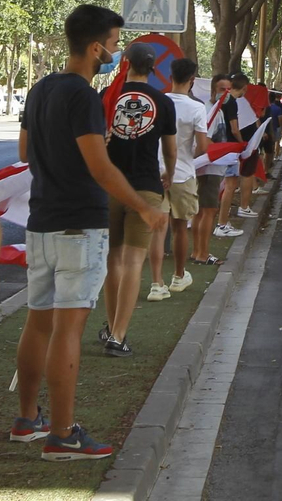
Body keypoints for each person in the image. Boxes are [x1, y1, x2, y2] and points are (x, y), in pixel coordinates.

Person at [15, 4, 167, 459]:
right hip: (79, 224)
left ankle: (27, 420)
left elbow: (26, 149)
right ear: (96, 46)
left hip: (42, 221)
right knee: (69, 327)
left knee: (38, 321)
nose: (118, 54)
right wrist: (144, 207)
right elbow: (100, 167)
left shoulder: (41, 88)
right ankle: (62, 432)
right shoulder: (82, 95)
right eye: (116, 44)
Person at [101, 42, 177, 352]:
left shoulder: (107, 96)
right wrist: (169, 173)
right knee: (134, 261)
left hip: (109, 186)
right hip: (146, 188)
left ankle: (110, 327)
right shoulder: (163, 101)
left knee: (112, 260)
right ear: (153, 67)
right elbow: (170, 150)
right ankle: (119, 335)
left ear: (126, 63)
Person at [165, 58, 212, 277]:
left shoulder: (158, 102)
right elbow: (203, 146)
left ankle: (156, 281)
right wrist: (186, 156)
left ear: (170, 77)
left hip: (153, 172)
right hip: (182, 174)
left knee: (155, 231)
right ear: (192, 81)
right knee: (180, 228)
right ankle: (178, 275)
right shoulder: (196, 108)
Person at [205, 73, 244, 244]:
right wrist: (242, 145)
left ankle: (220, 223)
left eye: (228, 89)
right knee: (229, 185)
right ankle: (221, 224)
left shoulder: (212, 105)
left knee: (216, 188)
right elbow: (234, 129)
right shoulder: (227, 104)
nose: (225, 93)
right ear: (213, 89)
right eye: (222, 89)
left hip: (217, 152)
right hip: (224, 152)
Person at [229, 73, 260, 219]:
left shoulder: (224, 99)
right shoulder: (233, 101)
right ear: (244, 87)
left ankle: (229, 210)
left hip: (235, 145)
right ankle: (244, 207)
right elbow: (235, 127)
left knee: (231, 180)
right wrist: (242, 142)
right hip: (244, 144)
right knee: (246, 175)